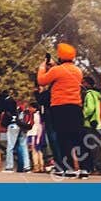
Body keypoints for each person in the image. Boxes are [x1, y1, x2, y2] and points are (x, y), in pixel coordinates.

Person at [37, 44, 87, 178]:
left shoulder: (57, 70)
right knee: (78, 137)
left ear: (60, 56)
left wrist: (42, 67)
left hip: (59, 107)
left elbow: (42, 81)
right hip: (76, 107)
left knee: (63, 138)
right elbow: (64, 76)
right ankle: (84, 169)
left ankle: (69, 168)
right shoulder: (78, 71)